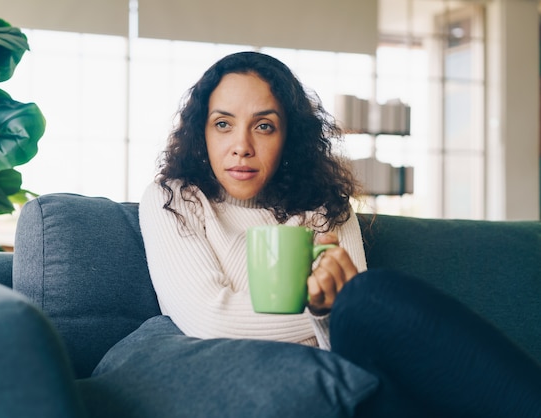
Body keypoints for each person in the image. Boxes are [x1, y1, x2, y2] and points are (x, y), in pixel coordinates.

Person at [139, 51, 541, 417]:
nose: (241, 146)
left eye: (264, 126)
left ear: (288, 137)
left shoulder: (326, 206)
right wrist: (319, 308)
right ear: (201, 133)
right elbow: (210, 318)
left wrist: (335, 310)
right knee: (366, 295)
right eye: (223, 124)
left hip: (358, 377)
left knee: (369, 296)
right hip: (270, 389)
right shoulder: (174, 199)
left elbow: (352, 327)